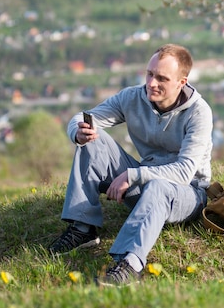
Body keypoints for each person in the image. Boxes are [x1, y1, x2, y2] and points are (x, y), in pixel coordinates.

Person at [48, 44, 213, 287]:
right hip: (144, 186)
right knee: (93, 137)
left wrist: (133, 175)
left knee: (159, 186)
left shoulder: (199, 112)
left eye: (162, 78)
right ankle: (83, 229)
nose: (152, 83)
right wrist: (78, 131)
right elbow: (85, 116)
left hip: (187, 194)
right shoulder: (133, 97)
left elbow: (184, 171)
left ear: (181, 82)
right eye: (149, 74)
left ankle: (130, 264)